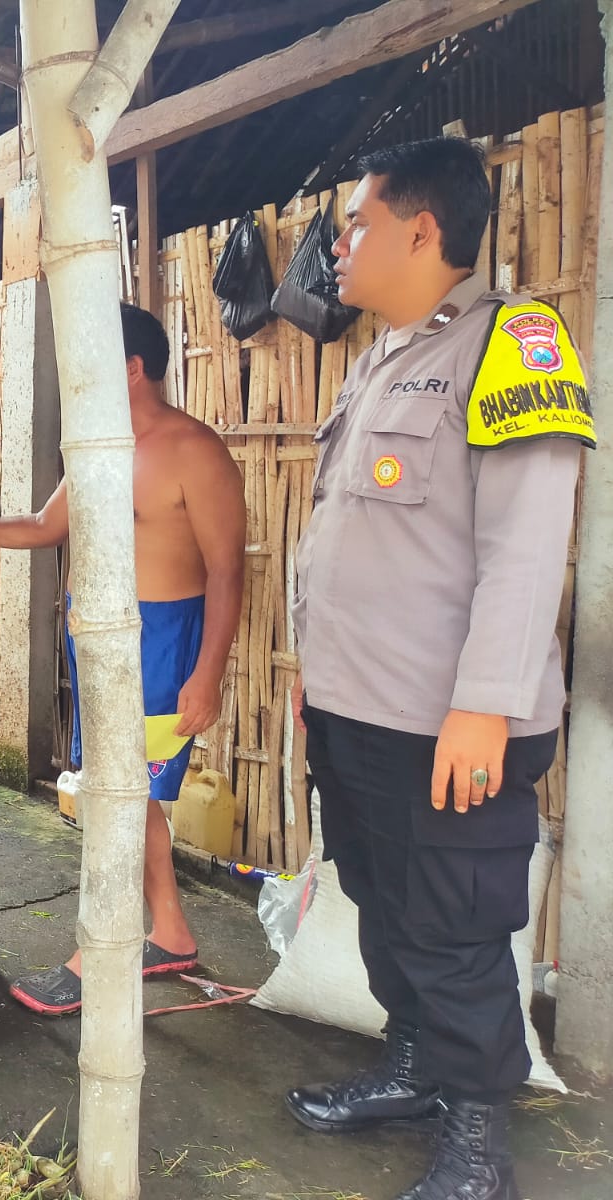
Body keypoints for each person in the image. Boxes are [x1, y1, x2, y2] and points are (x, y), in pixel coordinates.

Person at [286, 138, 591, 1200]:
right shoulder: (375, 356)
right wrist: (310, 672)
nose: (339, 244)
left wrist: (485, 706)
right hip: (357, 706)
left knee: (455, 925)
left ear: (424, 230)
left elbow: (525, 541)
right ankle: (415, 1068)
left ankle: (475, 1139)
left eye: (356, 222)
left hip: (447, 717)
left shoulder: (516, 339)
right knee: (382, 903)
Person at [0, 302, 246, 1016]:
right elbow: (44, 526)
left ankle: (99, 954)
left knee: (119, 804)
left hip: (160, 643)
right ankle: (170, 933)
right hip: (96, 637)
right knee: (121, 796)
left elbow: (227, 571)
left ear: (132, 369)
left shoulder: (194, 450)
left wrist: (208, 672)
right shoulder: (101, 446)